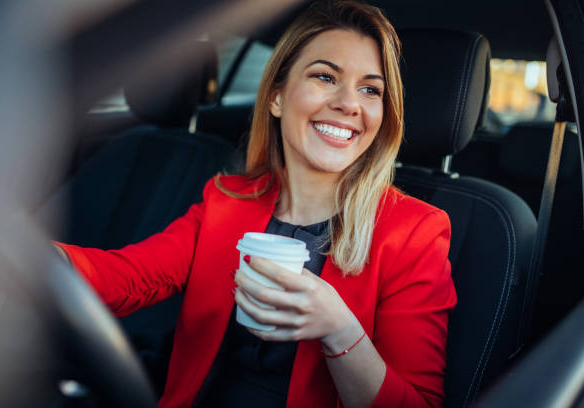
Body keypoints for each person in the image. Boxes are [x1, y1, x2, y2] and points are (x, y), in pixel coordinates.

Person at [54, 1, 457, 407]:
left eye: (370, 89)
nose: (349, 104)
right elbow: (127, 277)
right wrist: (35, 256)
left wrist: (339, 329)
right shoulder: (227, 200)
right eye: (325, 76)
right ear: (277, 97)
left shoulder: (414, 232)